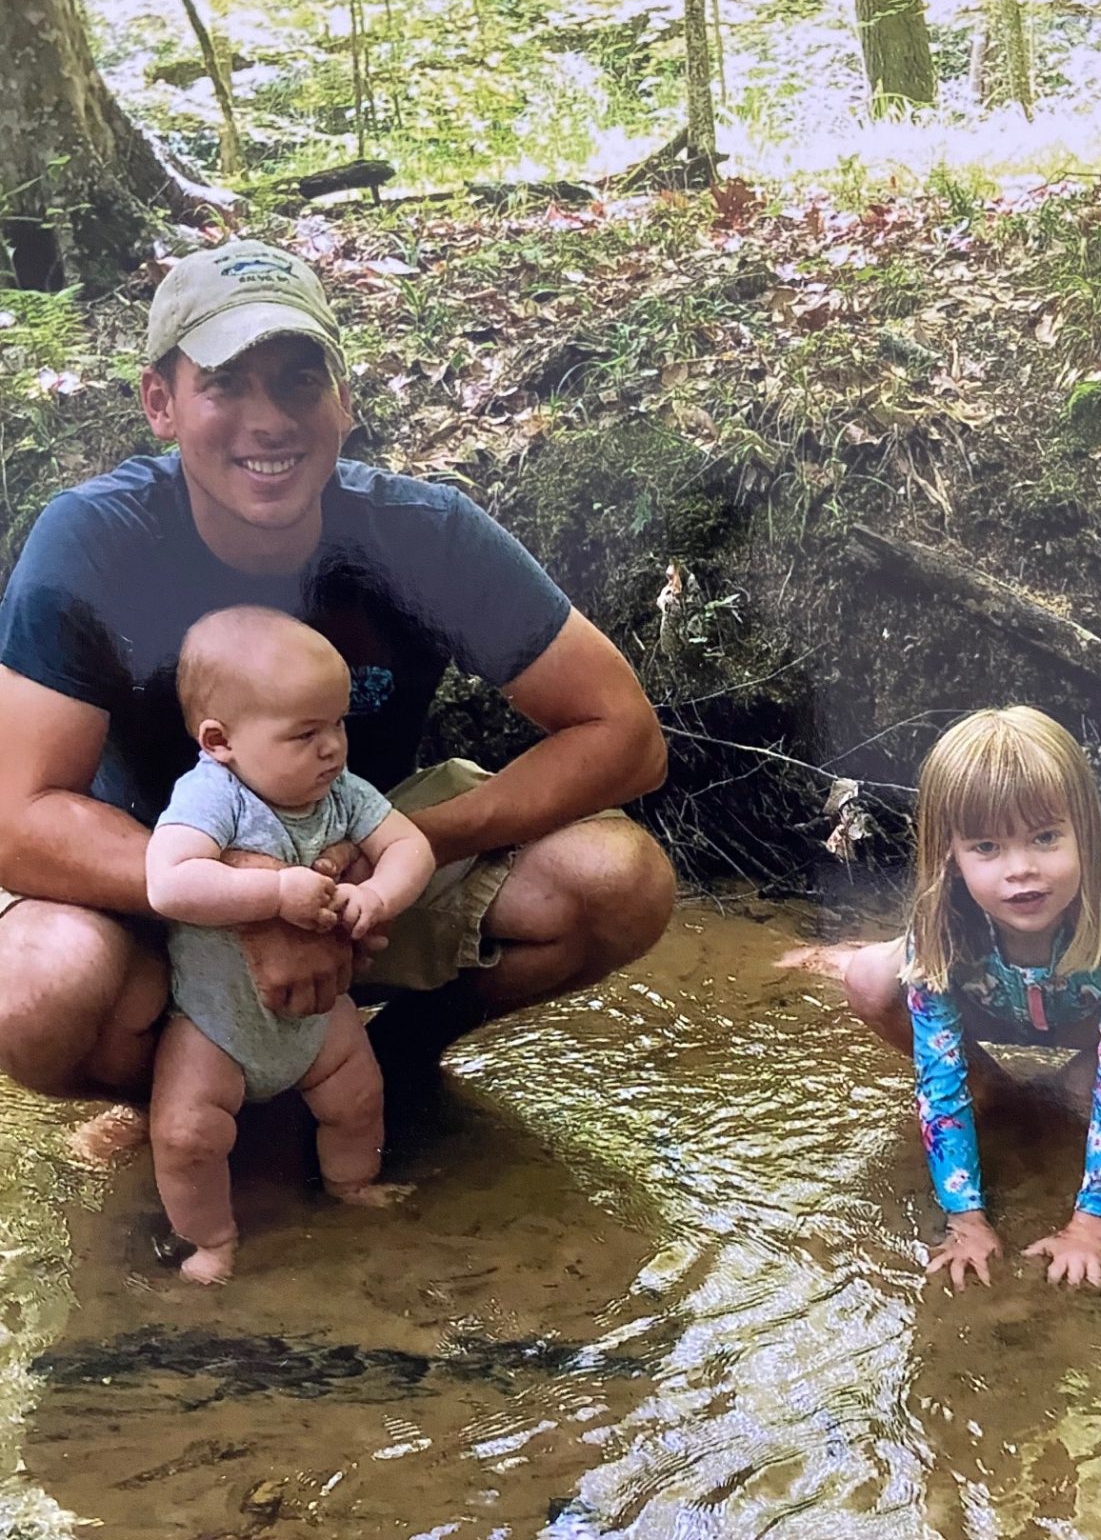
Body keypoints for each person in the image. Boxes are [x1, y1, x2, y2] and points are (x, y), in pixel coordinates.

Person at [0, 238, 674, 1130]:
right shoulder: (92, 541)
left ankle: (392, 1065)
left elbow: (628, 736)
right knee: (36, 988)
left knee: (619, 881)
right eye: (227, 385)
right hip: (145, 875)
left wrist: (406, 846)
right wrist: (253, 895)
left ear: (344, 403)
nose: (268, 419)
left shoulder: (423, 534)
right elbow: (16, 818)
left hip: (358, 853)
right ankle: (185, 1099)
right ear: (160, 402)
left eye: (297, 382)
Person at [839, 707, 1101, 1290]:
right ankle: (993, 1084)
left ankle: (1075, 1088)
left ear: (1086, 832)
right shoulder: (940, 926)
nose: (1022, 870)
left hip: (1086, 1018)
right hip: (988, 1009)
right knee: (869, 975)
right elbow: (937, 1077)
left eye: (1046, 837)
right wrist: (966, 1220)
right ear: (949, 853)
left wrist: (1091, 1228)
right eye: (986, 847)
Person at [145, 608, 436, 1284]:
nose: (332, 747)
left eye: (337, 724)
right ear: (220, 741)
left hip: (319, 1016)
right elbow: (169, 883)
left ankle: (351, 1187)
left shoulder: (342, 793)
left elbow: (408, 845)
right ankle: (211, 1241)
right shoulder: (213, 795)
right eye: (305, 733)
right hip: (216, 1021)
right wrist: (275, 898)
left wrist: (379, 896)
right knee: (187, 1137)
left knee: (359, 1101)